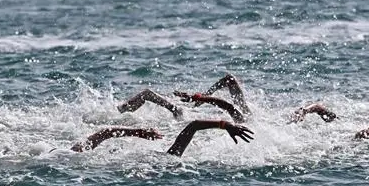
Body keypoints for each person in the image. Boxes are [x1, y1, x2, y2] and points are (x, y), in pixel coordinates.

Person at [71, 120, 254, 157]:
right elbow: (193, 126)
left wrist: (138, 131)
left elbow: (105, 132)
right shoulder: (171, 159)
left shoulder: (70, 154)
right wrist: (226, 125)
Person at [117, 73, 250, 123]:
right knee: (147, 94)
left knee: (147, 94)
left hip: (190, 117)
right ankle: (120, 113)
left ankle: (119, 113)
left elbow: (228, 106)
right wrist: (203, 97)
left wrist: (202, 98)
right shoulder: (247, 116)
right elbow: (229, 79)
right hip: (196, 114)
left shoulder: (244, 118)